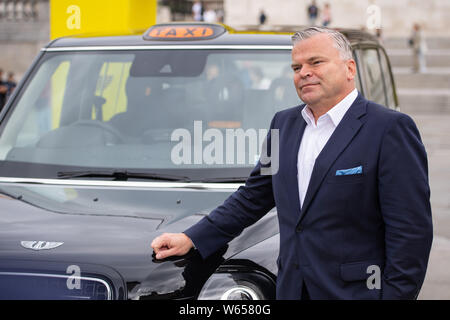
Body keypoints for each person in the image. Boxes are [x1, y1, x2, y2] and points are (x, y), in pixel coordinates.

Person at [151, 27, 433, 300]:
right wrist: (193, 238)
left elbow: (411, 233)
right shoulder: (284, 124)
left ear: (349, 69)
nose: (304, 73)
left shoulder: (389, 129)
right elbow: (253, 197)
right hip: (291, 288)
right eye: (296, 68)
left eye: (316, 62)